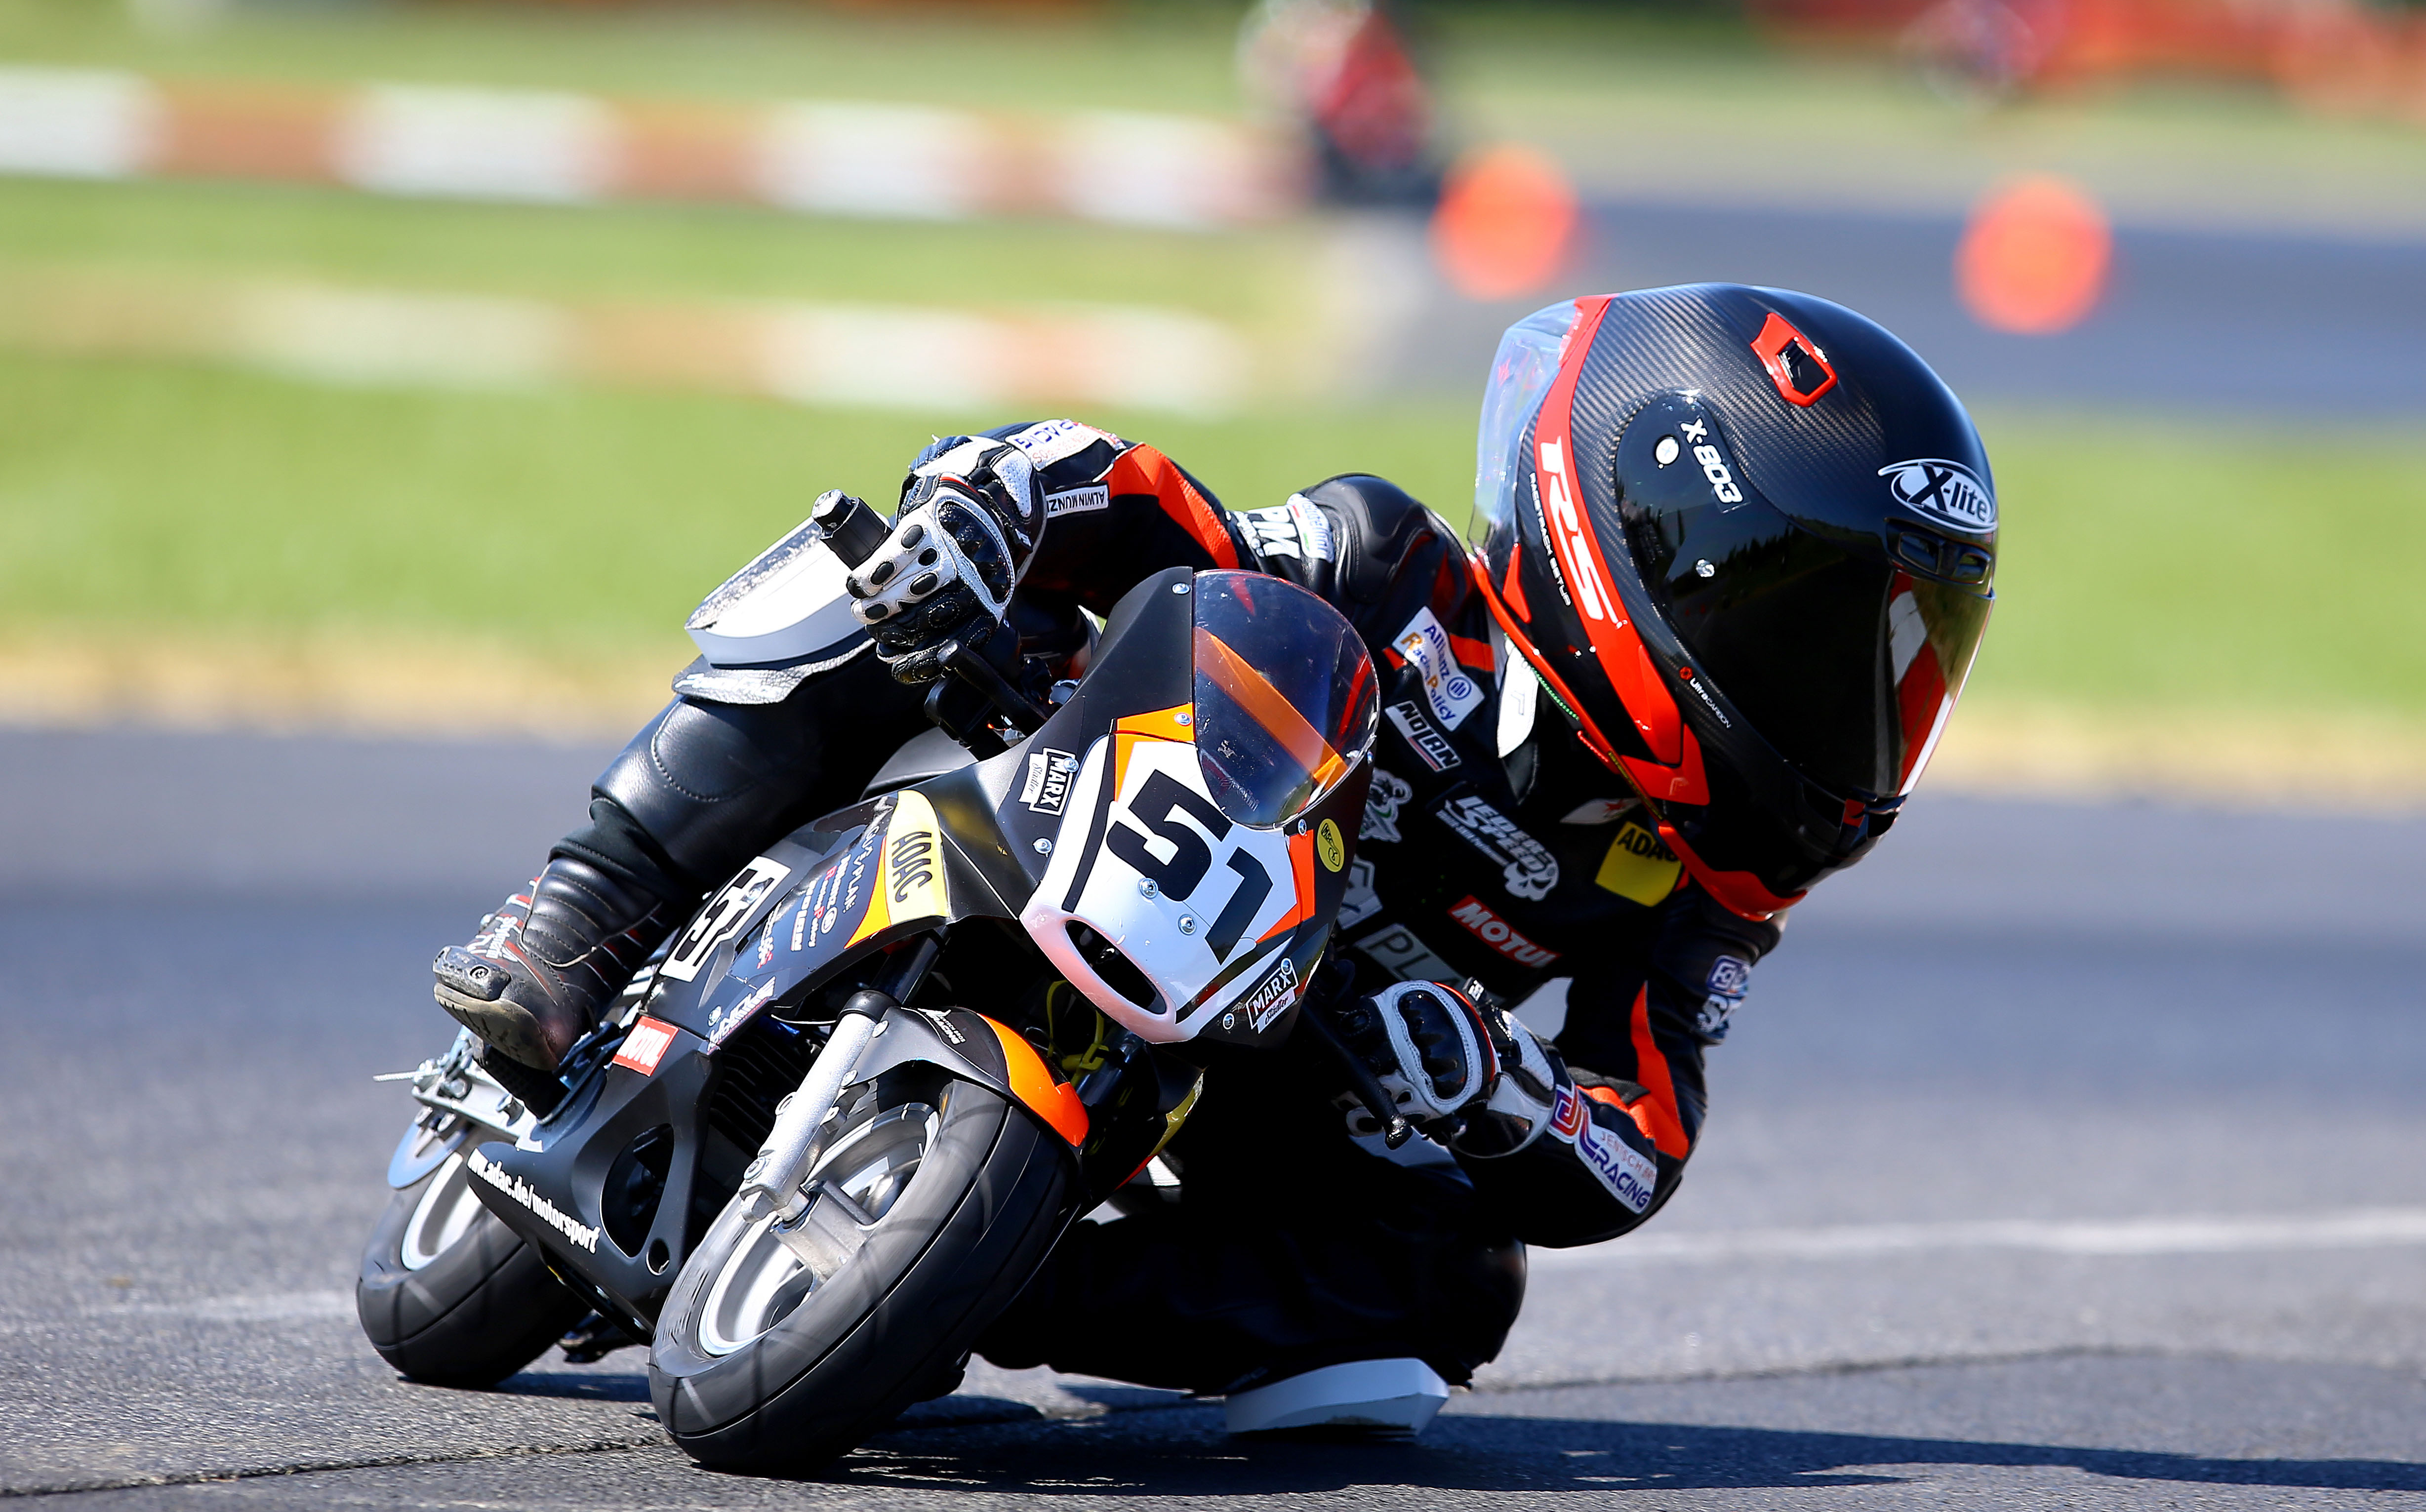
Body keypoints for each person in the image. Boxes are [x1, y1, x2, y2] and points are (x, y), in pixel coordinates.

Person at [432, 281, 1998, 1433]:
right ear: (1652, 542)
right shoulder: (1392, 564)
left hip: (1283, 1054)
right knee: (885, 580)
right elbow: (1150, 503)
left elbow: (1639, 1142)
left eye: (1904, 660)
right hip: (1066, 801)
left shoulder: (1704, 873)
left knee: (1456, 1288)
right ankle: (581, 913)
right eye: (1825, 639)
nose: (1863, 706)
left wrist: (1498, 1089)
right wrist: (994, 502)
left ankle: (980, 1275)